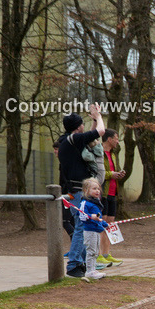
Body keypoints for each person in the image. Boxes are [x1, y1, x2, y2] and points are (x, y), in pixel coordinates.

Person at [58, 104, 105, 278]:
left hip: (75, 190)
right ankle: (74, 264)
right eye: (83, 124)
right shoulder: (73, 139)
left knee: (81, 226)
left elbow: (90, 134)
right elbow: (100, 131)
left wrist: (93, 120)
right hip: (77, 191)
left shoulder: (67, 141)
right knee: (80, 226)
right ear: (79, 126)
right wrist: (98, 116)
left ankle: (83, 264)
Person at [98, 130, 125, 265]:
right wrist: (111, 174)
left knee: (110, 223)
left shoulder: (113, 154)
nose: (117, 141)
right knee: (101, 223)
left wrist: (119, 174)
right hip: (103, 192)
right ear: (109, 139)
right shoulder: (99, 152)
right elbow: (99, 172)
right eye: (116, 138)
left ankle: (106, 253)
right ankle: (98, 255)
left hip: (113, 192)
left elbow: (112, 171)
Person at [78, 178, 110, 282]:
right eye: (94, 189)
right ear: (87, 190)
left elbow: (99, 218)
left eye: (98, 189)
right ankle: (89, 271)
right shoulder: (85, 203)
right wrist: (91, 216)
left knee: (96, 251)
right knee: (91, 251)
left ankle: (93, 269)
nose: (97, 191)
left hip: (97, 231)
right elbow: (82, 216)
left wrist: (105, 224)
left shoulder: (96, 203)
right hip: (90, 231)